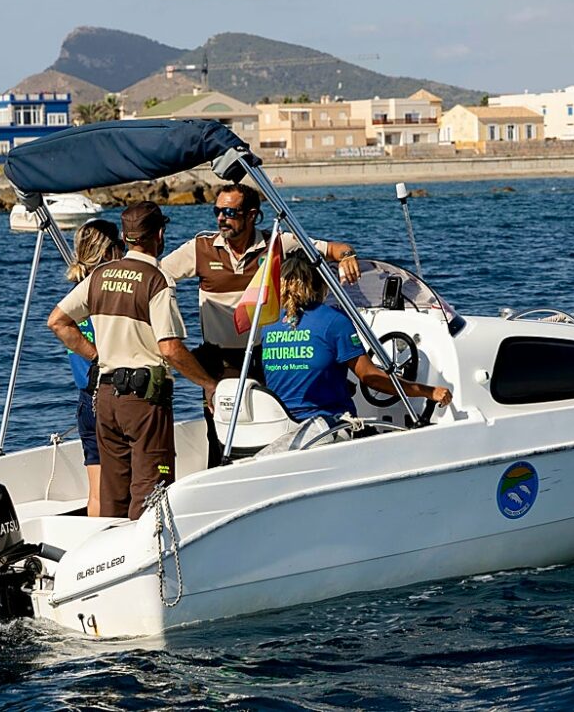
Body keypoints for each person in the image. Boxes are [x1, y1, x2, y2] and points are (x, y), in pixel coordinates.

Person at [160, 183, 362, 466]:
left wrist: (348, 256)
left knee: (273, 431)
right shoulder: (200, 248)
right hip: (220, 362)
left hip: (267, 356)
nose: (221, 218)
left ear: (252, 215)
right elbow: (155, 278)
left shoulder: (278, 243)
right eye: (217, 211)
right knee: (222, 437)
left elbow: (333, 249)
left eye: (229, 212)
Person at [48, 201, 219, 520]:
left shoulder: (99, 276)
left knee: (112, 489)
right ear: (160, 234)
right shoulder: (156, 280)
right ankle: (152, 561)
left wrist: (98, 356)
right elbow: (169, 348)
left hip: (106, 399)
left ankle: (106, 556)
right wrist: (208, 384)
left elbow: (57, 321)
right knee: (151, 486)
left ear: (125, 238)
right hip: (144, 402)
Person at [258, 252, 451, 423]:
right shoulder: (333, 321)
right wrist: (428, 391)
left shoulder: (268, 322)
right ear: (323, 282)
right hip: (327, 424)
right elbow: (371, 379)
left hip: (279, 424)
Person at [62, 218, 124, 517]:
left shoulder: (75, 293)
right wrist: (99, 356)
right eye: (121, 247)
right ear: (111, 251)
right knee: (127, 483)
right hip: (115, 394)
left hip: (86, 398)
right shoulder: (108, 294)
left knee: (96, 490)